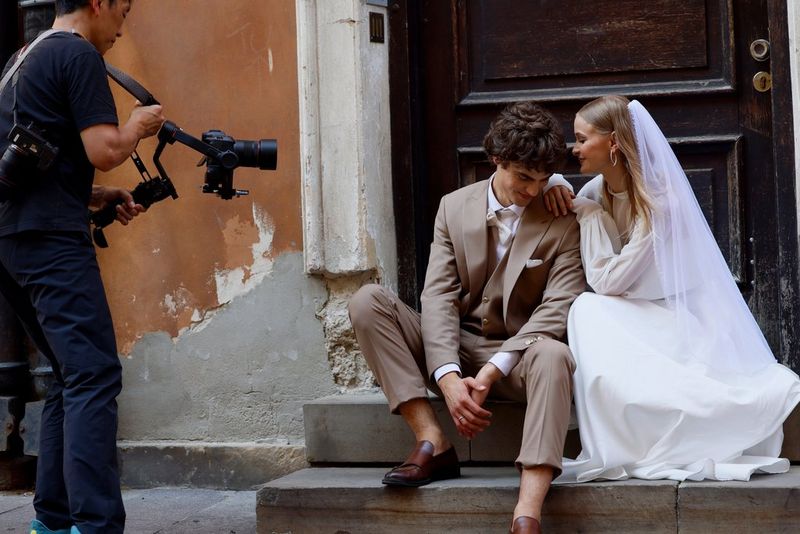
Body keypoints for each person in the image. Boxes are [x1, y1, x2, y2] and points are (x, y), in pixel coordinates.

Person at [349, 101, 585, 533]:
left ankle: (527, 513)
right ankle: (432, 441)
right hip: (454, 344)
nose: (532, 191)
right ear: (497, 160)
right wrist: (447, 377)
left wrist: (494, 370)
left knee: (554, 354)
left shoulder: (563, 217)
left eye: (541, 179)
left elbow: (558, 306)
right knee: (367, 300)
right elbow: (437, 296)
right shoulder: (453, 207)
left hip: (519, 357)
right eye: (522, 178)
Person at [542, 95, 800, 483]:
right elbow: (577, 202)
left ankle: (637, 435)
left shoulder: (658, 200)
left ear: (613, 143)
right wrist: (557, 183)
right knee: (589, 309)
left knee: (588, 307)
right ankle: (620, 426)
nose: (573, 149)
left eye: (581, 139)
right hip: (635, 315)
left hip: (675, 318)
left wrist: (591, 216)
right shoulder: (598, 189)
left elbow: (608, 282)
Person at [0, 1, 164, 533]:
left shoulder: (22, 59)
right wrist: (137, 124)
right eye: (123, 9)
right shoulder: (79, 55)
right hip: (51, 244)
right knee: (94, 373)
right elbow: (104, 147)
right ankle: (95, 526)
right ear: (97, 3)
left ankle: (50, 522)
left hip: (11, 241)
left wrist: (93, 197)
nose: (123, 24)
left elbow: (34, 159)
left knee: (69, 377)